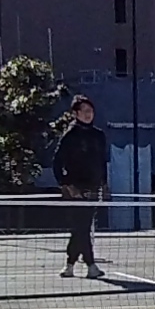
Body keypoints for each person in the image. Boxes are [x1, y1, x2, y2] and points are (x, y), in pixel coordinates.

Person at [53, 94, 112, 278]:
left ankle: (71, 264)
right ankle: (90, 265)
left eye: (91, 111)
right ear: (76, 113)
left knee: (82, 227)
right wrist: (67, 185)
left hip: (92, 188)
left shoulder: (98, 136)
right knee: (82, 226)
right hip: (75, 190)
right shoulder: (70, 136)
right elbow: (57, 163)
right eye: (85, 111)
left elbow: (102, 162)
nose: (88, 114)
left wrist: (104, 184)